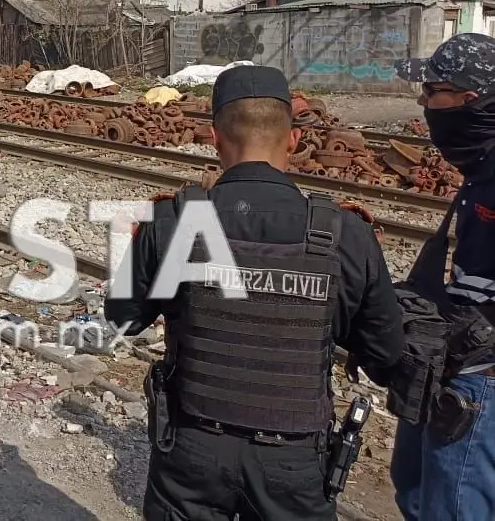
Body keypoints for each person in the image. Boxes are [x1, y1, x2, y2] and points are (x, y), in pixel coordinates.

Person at [107, 64, 405, 520]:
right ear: (292, 140)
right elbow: (385, 356)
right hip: (294, 462)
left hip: (194, 451)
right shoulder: (345, 234)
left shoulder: (174, 223)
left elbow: (123, 319)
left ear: (213, 137)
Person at [389, 32, 495, 521]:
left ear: (470, 100)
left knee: (451, 509)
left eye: (434, 92)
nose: (423, 103)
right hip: (450, 369)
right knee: (415, 490)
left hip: (479, 383)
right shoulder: (480, 169)